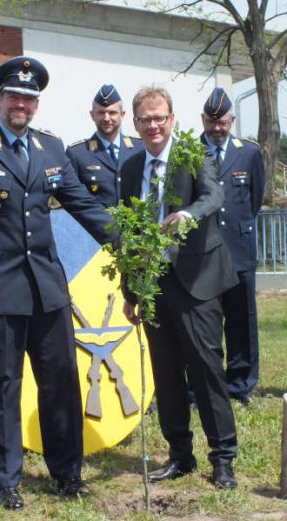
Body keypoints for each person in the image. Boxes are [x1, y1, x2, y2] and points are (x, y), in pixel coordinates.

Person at [0, 55, 115, 510]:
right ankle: (4, 477)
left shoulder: (51, 149)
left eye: (30, 98)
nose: (22, 104)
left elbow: (84, 205)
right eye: (14, 96)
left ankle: (66, 473)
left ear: (37, 104)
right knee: (3, 386)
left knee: (61, 382)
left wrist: (129, 241)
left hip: (48, 290)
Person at [119, 86, 240, 489]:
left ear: (172, 120)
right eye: (144, 119)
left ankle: (222, 459)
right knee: (166, 373)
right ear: (134, 125)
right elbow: (129, 233)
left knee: (205, 370)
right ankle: (180, 455)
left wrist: (187, 213)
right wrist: (131, 292)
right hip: (153, 284)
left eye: (160, 118)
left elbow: (215, 195)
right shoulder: (130, 167)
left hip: (197, 281)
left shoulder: (193, 154)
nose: (153, 125)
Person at [199, 87, 265, 404]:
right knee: (205, 323)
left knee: (242, 321)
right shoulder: (188, 151)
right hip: (202, 254)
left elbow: (253, 200)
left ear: (232, 120)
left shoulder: (249, 153)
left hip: (239, 251)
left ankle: (241, 384)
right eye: (212, 123)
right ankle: (206, 384)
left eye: (223, 122)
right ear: (203, 121)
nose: (217, 129)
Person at [66, 84, 144, 207]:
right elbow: (72, 199)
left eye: (112, 112)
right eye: (101, 113)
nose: (106, 118)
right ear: (92, 115)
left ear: (122, 115)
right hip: (97, 225)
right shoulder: (77, 153)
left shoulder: (140, 148)